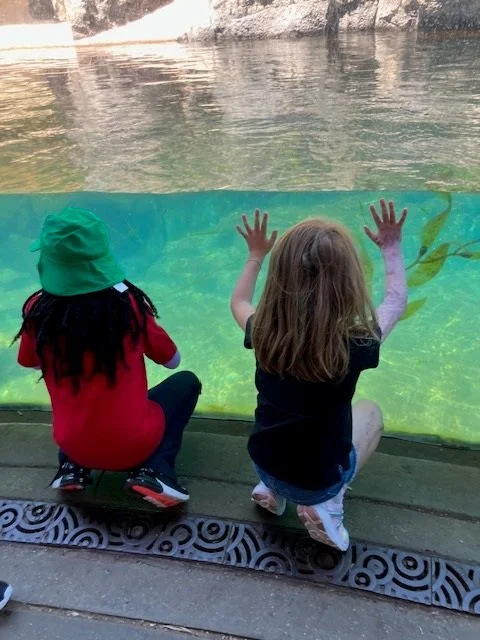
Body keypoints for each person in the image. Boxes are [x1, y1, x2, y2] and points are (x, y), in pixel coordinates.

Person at [230, 200, 407, 551]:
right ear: (349, 283)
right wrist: (391, 249)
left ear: (280, 278)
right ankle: (329, 503)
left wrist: (255, 255)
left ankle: (271, 490)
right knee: (370, 413)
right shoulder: (357, 343)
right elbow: (396, 300)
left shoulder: (263, 330)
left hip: (265, 464)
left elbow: (238, 302)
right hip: (317, 482)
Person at [14, 207, 201, 509]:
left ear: (48, 260)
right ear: (101, 254)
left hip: (72, 442)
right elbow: (172, 360)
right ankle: (155, 470)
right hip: (134, 442)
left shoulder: (38, 310)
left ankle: (71, 468)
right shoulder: (127, 304)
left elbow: (29, 362)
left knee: (78, 407)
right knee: (186, 383)